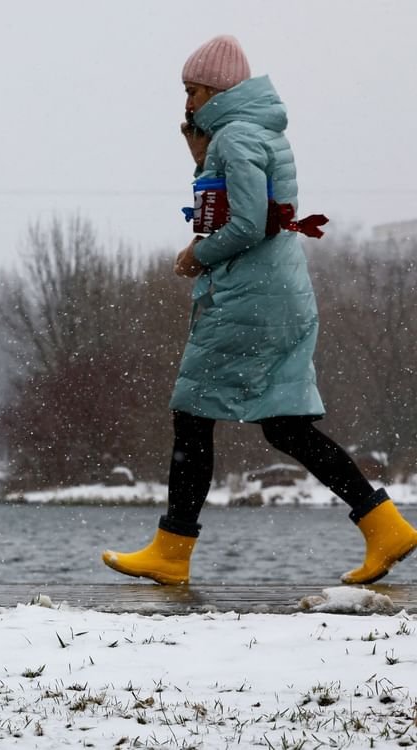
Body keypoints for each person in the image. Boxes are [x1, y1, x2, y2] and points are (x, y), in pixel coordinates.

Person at [102, 35, 417, 586]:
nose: (187, 103)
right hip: (278, 296)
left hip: (251, 303)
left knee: (193, 415)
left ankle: (172, 551)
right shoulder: (252, 133)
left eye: (192, 90)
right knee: (286, 428)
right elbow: (242, 206)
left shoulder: (237, 137)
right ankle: (383, 526)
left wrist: (197, 254)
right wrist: (202, 161)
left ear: (216, 90)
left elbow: (246, 223)